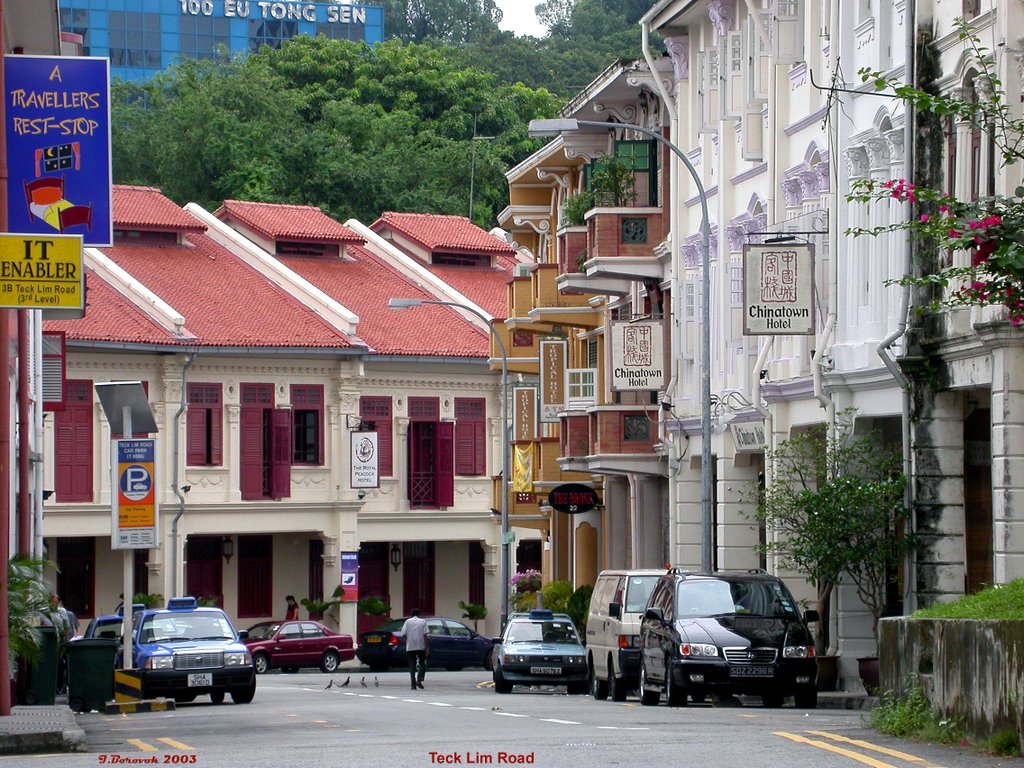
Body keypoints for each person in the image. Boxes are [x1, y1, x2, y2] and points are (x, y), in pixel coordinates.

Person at [400, 608, 428, 690]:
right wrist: (426, 647)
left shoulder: (407, 621)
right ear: (419, 614)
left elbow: (403, 634)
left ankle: (413, 684)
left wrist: (408, 640)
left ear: (411, 614)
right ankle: (419, 678)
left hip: (410, 646)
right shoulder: (423, 621)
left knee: (412, 665)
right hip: (421, 645)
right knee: (422, 663)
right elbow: (425, 635)